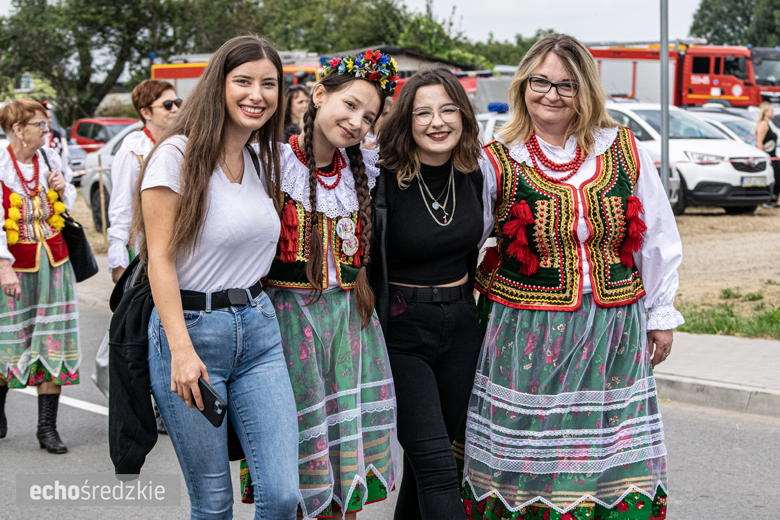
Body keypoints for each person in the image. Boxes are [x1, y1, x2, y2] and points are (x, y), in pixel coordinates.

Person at [460, 34, 681, 520]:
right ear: (524, 85)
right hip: (526, 332)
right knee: (535, 453)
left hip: (612, 329)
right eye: (541, 81)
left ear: (585, 90)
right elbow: (468, 241)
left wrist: (659, 314)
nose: (552, 94)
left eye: (567, 84)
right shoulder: (497, 158)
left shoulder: (623, 149)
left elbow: (658, 235)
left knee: (606, 451)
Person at [132, 35, 299, 518]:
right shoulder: (176, 156)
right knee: (212, 501)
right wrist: (181, 351)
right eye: (243, 81)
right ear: (217, 86)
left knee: (284, 493)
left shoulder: (259, 158)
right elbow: (158, 258)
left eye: (269, 84)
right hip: (191, 333)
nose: (257, 94)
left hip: (259, 332)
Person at [239, 49, 401, 519]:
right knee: (289, 475)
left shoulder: (364, 172)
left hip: (352, 330)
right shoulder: (268, 163)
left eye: (368, 116)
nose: (356, 122)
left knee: (345, 463)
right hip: (288, 328)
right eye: (349, 105)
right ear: (319, 94)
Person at [371, 66, 488, 520]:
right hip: (402, 332)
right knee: (439, 467)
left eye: (447, 109)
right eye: (423, 113)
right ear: (406, 120)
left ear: (463, 115)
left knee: (430, 465)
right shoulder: (381, 178)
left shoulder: (475, 175)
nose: (437, 122)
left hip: (460, 326)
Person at [0, 99, 79, 454]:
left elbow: (67, 205)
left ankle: (47, 428)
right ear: (18, 129)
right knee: (9, 340)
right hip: (14, 265)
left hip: (54, 263)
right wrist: (3, 266)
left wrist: (63, 188)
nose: (46, 132)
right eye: (40, 125)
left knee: (52, 340)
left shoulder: (48, 158)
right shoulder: (1, 163)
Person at [107, 79, 180, 283]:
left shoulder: (184, 144)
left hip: (182, 243)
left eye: (177, 103)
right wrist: (118, 260)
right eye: (167, 105)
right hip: (146, 246)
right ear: (146, 113)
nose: (175, 109)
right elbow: (121, 206)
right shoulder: (134, 151)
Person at [756, 102, 780, 206]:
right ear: (765, 112)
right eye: (771, 110)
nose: (773, 112)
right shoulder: (763, 124)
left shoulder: (767, 124)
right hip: (769, 157)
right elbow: (759, 142)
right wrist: (764, 158)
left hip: (773, 156)